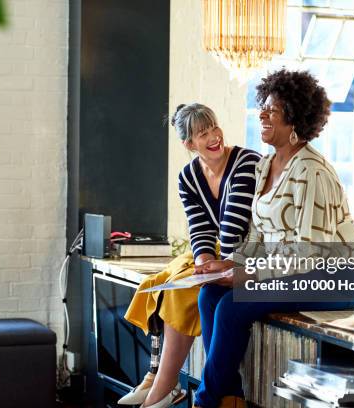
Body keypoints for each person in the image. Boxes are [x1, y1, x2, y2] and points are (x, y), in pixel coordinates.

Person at [192, 69, 354, 408]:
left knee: (233, 306)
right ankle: (230, 398)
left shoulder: (312, 171)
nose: (261, 113)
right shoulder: (266, 165)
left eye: (271, 110)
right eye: (262, 106)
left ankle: (206, 401)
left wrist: (250, 274)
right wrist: (231, 264)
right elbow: (259, 235)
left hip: (337, 275)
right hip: (295, 268)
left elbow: (307, 254)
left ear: (294, 121)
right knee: (210, 294)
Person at [119, 103, 261, 408]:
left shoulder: (246, 162)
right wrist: (202, 262)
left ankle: (163, 385)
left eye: (214, 127)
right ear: (189, 143)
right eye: (202, 133)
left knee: (182, 292)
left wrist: (209, 265)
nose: (214, 137)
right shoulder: (188, 177)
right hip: (217, 255)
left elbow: (233, 230)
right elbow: (199, 231)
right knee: (161, 283)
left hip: (246, 254)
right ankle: (158, 377)